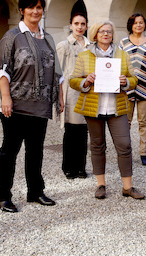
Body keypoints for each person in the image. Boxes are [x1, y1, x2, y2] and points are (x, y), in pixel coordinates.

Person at [0, 0, 63, 213]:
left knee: (35, 151)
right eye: (31, 7)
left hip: (40, 105)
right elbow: (2, 71)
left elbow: (57, 72)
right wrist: (5, 97)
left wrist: (59, 97)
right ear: (22, 10)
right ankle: (2, 196)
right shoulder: (12, 36)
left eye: (39, 7)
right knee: (10, 150)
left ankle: (35, 191)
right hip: (15, 103)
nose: (36, 11)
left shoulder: (48, 38)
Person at [70, 20, 144, 201]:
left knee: (125, 145)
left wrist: (125, 82)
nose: (106, 35)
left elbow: (133, 78)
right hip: (93, 107)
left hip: (117, 107)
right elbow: (73, 80)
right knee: (97, 146)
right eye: (102, 32)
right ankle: (100, 185)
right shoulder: (84, 55)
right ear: (95, 34)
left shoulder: (122, 54)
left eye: (109, 32)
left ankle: (127, 187)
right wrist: (86, 81)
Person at [119, 13, 146, 167]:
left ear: (144, 24)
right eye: (135, 23)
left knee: (144, 121)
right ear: (131, 25)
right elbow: (118, 62)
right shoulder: (123, 43)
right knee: (125, 122)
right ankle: (125, 152)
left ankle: (144, 153)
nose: (138, 25)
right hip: (126, 87)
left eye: (141, 22)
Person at [56, 11, 90, 180]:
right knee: (71, 131)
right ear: (71, 25)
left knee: (84, 131)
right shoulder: (64, 45)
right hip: (71, 94)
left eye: (83, 24)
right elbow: (58, 73)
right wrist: (60, 98)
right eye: (76, 24)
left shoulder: (91, 46)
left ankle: (81, 167)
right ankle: (69, 167)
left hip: (88, 93)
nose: (80, 27)